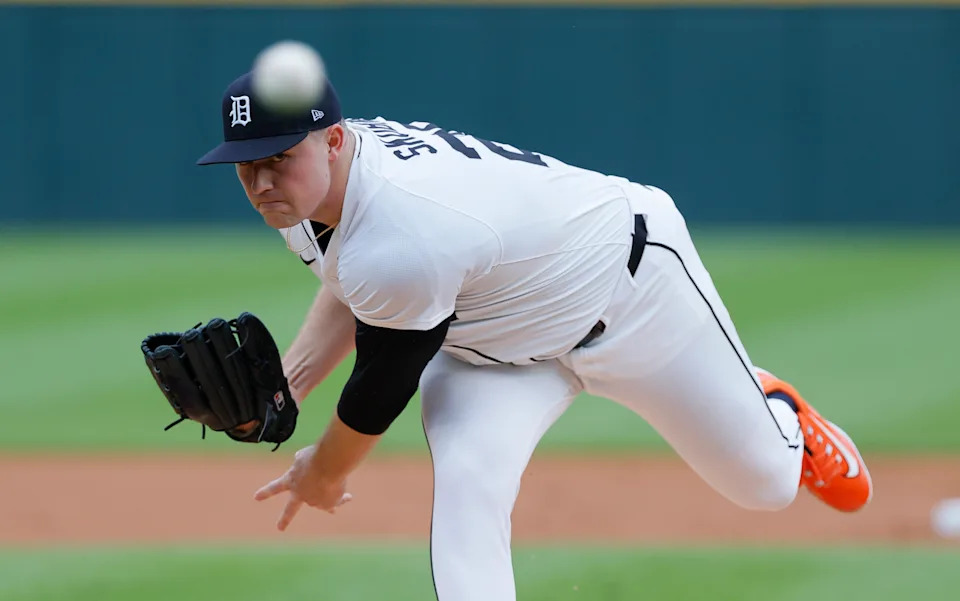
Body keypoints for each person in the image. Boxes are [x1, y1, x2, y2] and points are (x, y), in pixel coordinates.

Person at [196, 69, 873, 601]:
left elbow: (382, 385)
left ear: (334, 140)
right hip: (496, 355)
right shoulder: (306, 197)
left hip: (631, 295)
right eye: (245, 164)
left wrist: (325, 469)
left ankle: (775, 404)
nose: (260, 181)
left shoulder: (404, 224)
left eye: (277, 158)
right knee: (469, 490)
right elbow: (351, 282)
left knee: (767, 483)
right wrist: (288, 386)